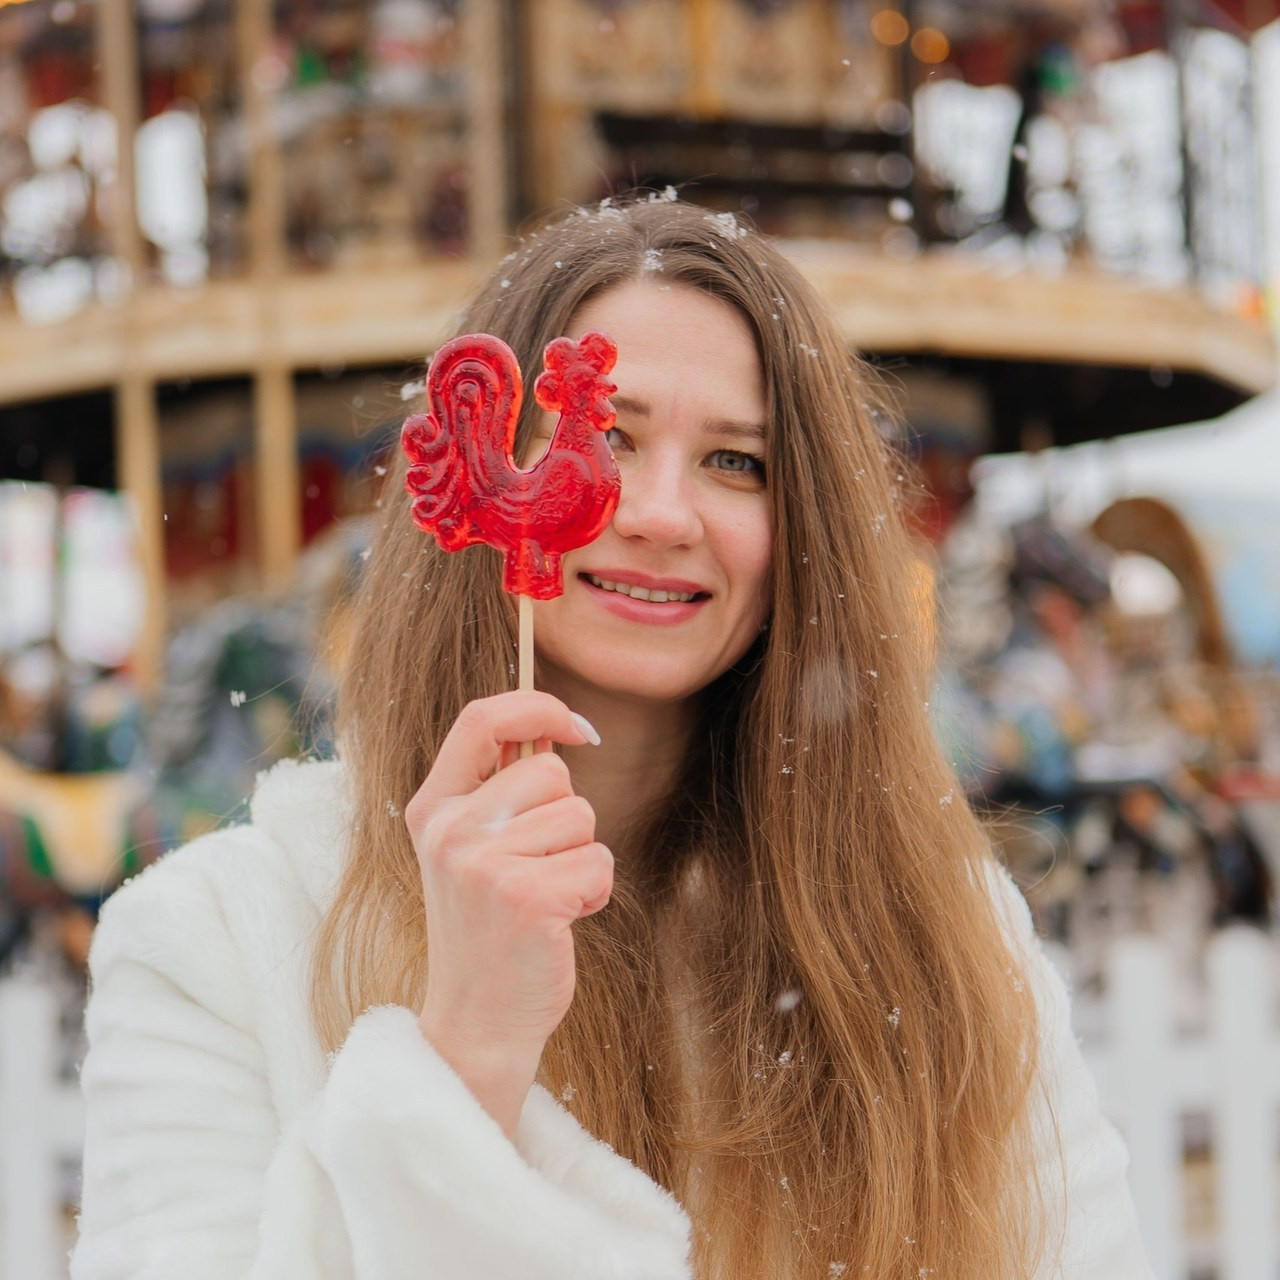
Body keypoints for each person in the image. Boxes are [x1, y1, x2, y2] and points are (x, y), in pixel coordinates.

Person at [71, 195, 1153, 1280]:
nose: (661, 512)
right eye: (603, 437)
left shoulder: (944, 935)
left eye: (738, 462)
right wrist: (466, 1056)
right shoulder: (212, 943)